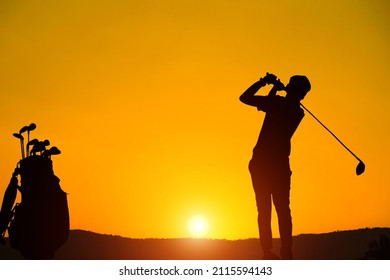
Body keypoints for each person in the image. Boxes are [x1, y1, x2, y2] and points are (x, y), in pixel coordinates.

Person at [239, 73, 311, 259]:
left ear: (294, 90)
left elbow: (244, 98)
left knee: (265, 209)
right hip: (277, 164)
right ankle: (285, 251)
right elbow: (268, 106)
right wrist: (275, 90)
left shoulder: (281, 105)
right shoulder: (296, 111)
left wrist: (264, 82)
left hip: (263, 163)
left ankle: (268, 252)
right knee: (282, 209)